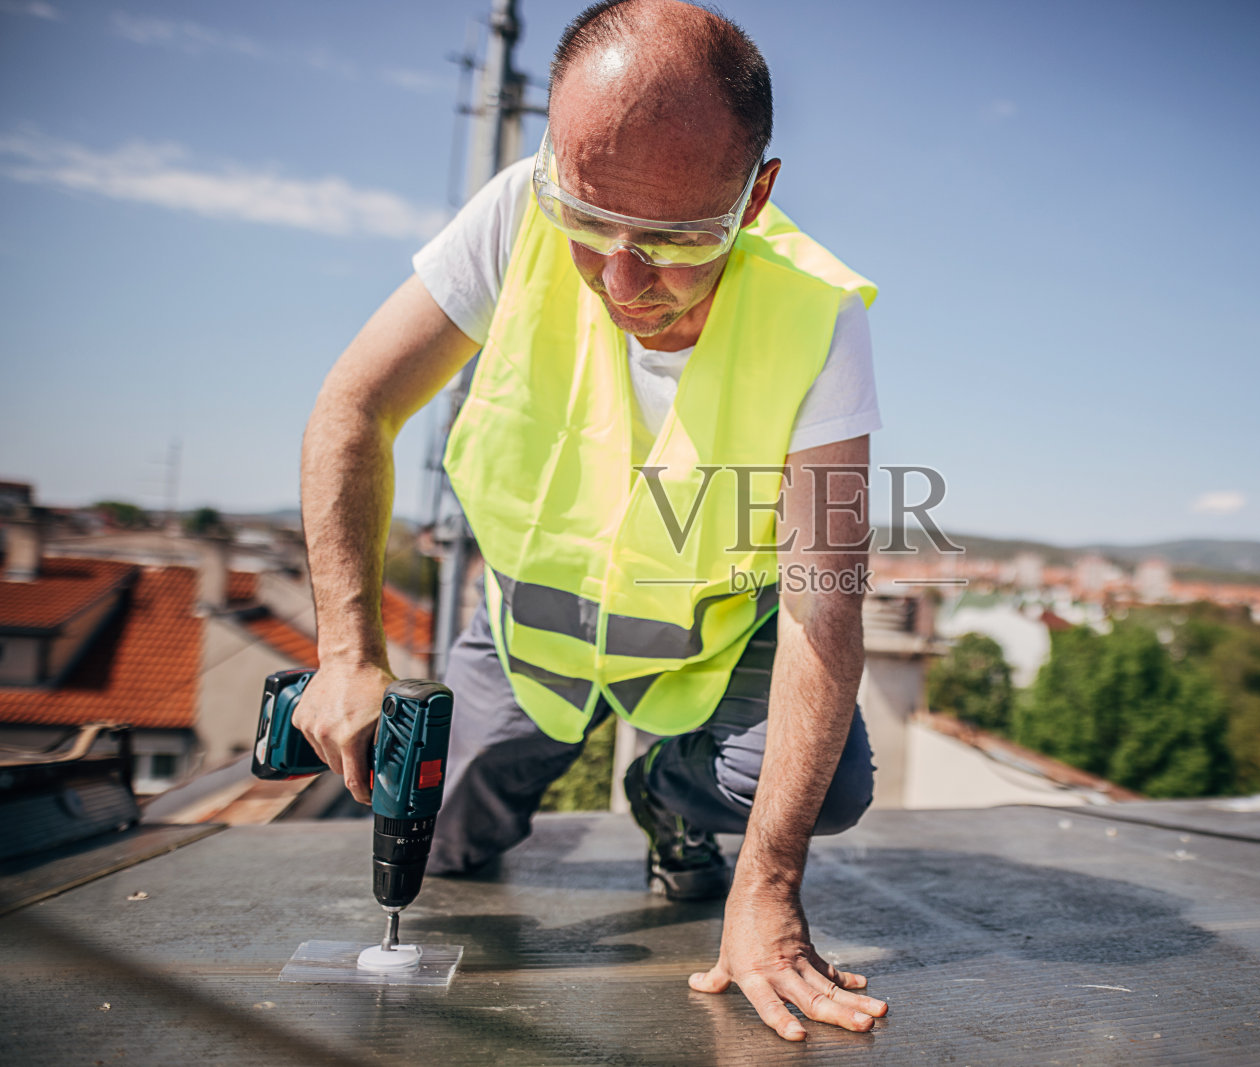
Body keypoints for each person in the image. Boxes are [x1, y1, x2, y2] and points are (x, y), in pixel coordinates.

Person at [292, 0, 887, 1041]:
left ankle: (668, 788)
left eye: (674, 240)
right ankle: (519, 775)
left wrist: (766, 885)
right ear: (557, 159)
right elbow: (353, 408)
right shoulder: (520, 206)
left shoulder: (816, 311)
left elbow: (821, 604)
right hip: (529, 638)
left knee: (821, 786)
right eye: (588, 220)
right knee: (435, 852)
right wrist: (346, 653)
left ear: (756, 197)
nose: (621, 278)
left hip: (704, 650)